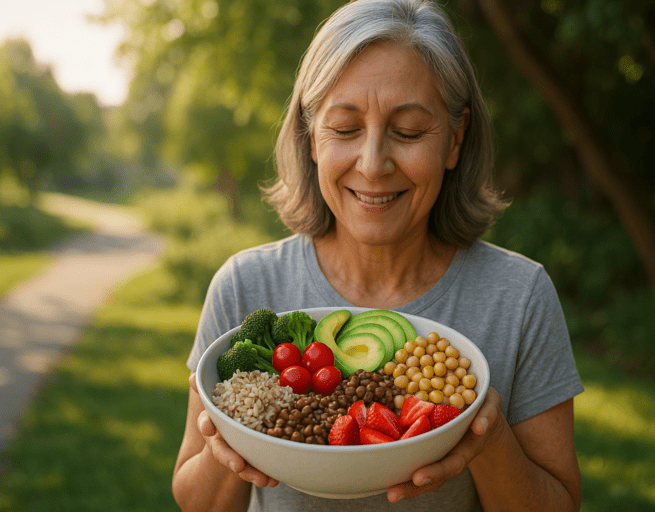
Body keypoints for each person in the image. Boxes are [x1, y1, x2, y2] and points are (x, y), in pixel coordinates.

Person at [172, 0, 584, 510]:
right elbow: (197, 503)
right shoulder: (244, 285)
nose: (372, 164)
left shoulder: (519, 297)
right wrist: (230, 435)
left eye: (408, 132)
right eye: (344, 129)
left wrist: (487, 434)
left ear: (455, 140)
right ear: (311, 137)